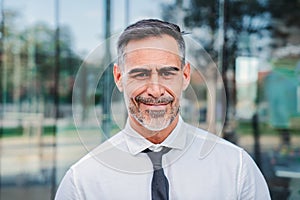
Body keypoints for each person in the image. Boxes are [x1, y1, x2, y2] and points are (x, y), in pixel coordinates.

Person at [55, 19, 271, 199]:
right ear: (119, 78)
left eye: (168, 73)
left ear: (185, 76)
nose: (156, 90)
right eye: (140, 74)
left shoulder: (236, 167)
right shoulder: (82, 181)